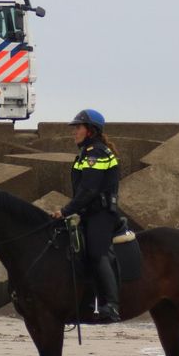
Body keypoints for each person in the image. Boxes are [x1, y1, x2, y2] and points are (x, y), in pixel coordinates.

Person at [51, 109, 121, 323]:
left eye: (78, 128)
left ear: (90, 130)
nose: (74, 132)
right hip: (87, 213)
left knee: (95, 251)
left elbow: (89, 190)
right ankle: (85, 302)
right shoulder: (86, 152)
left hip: (101, 214)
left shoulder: (96, 154)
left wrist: (65, 211)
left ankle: (111, 304)